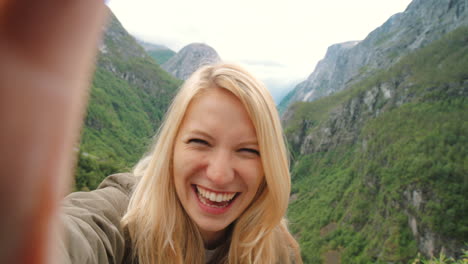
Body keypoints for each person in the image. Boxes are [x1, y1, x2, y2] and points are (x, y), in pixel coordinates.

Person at [0, 1, 302, 264]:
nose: (220, 174)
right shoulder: (123, 217)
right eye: (199, 142)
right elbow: (72, 235)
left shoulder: (273, 250)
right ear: (171, 149)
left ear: (269, 166)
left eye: (248, 150)